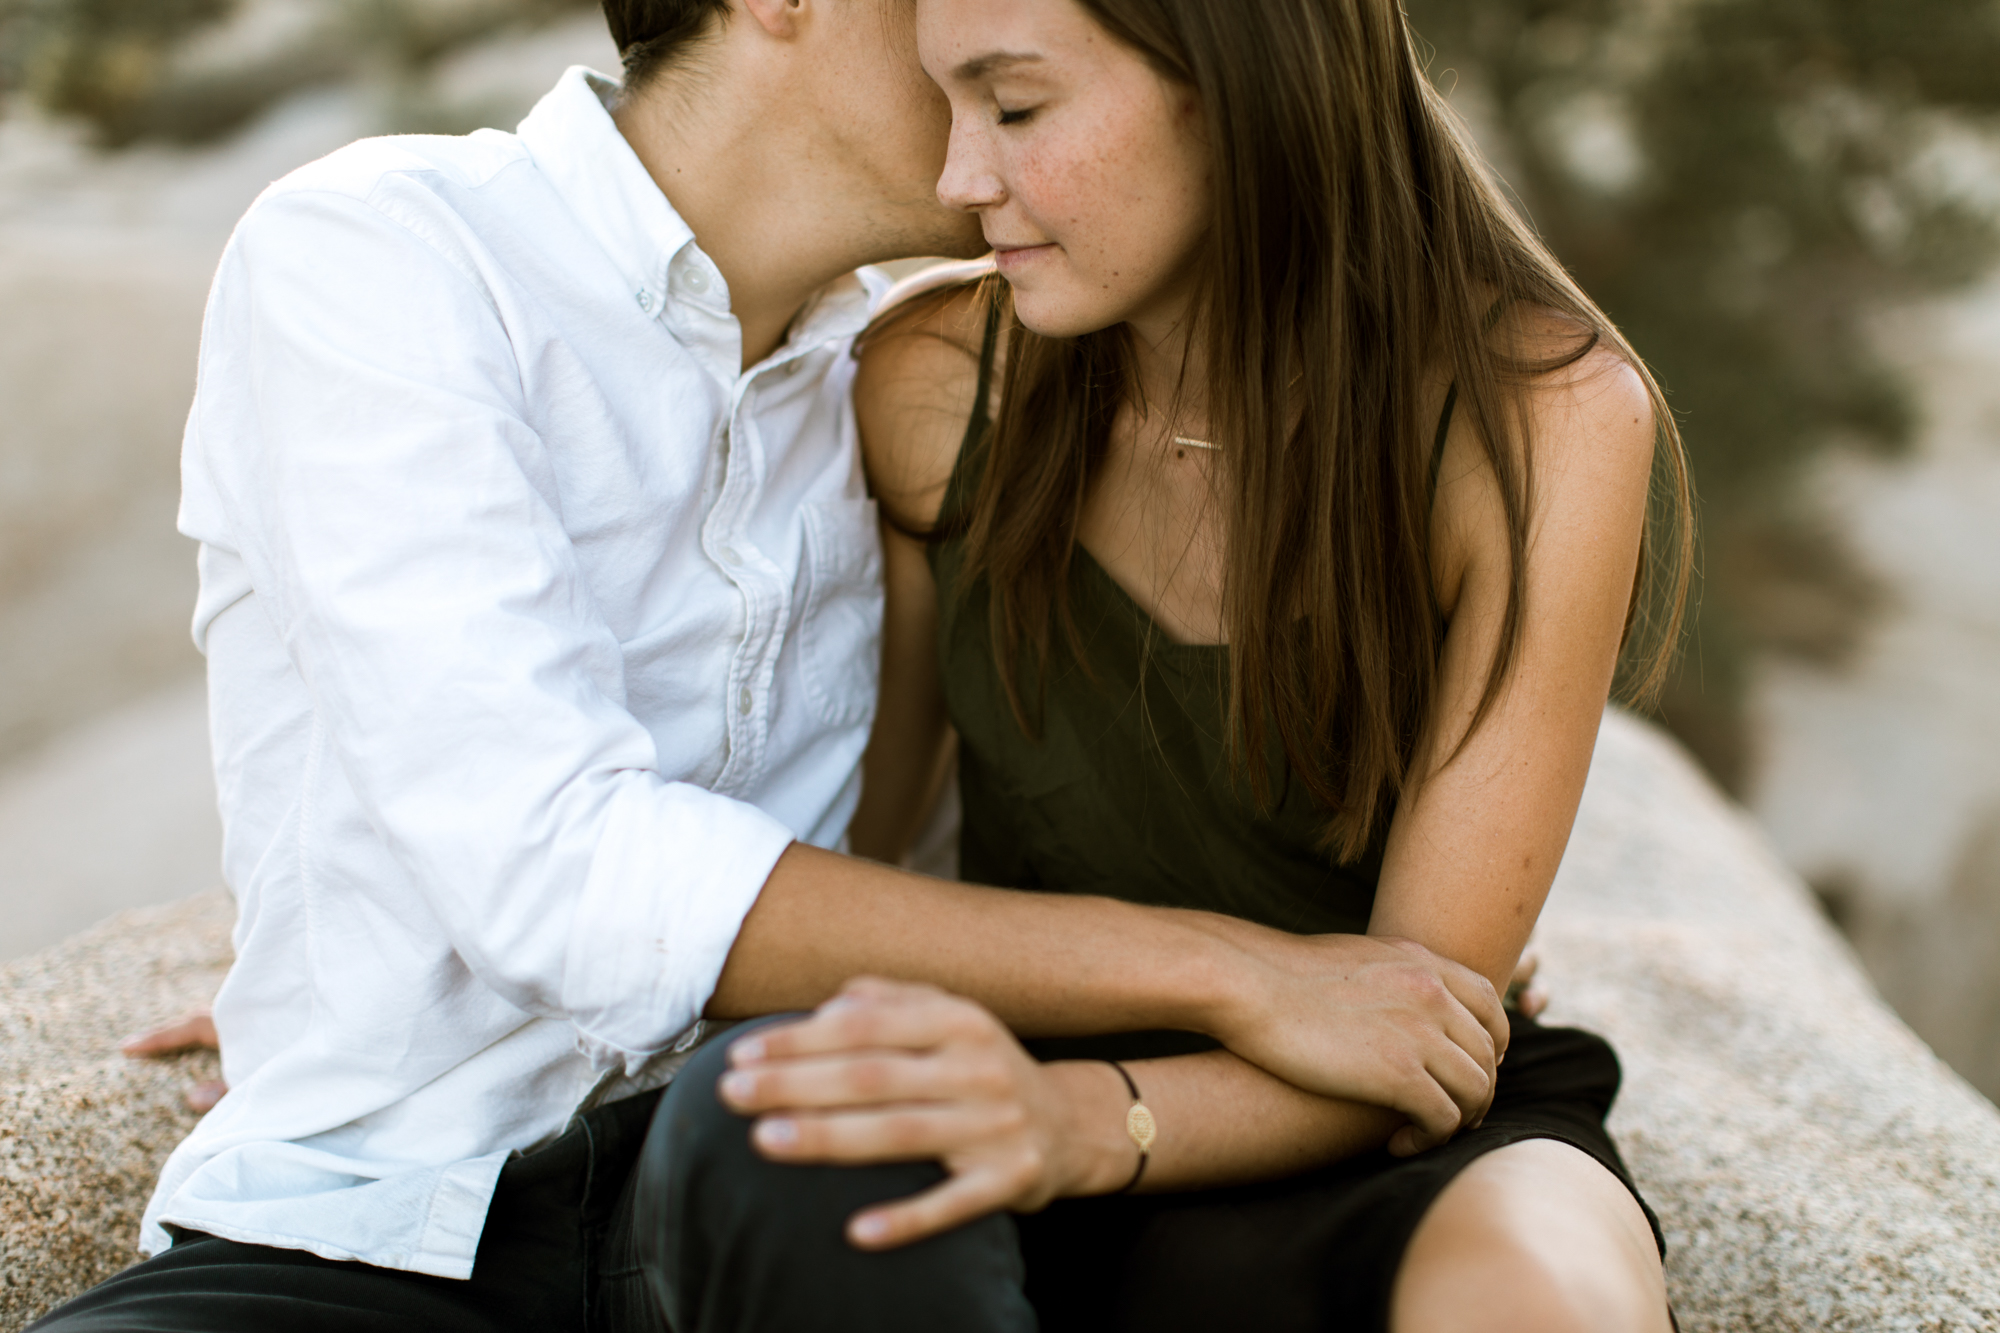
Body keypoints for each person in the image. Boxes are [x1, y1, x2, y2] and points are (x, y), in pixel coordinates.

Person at [33, 1, 1511, 1329]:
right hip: (366, 1224)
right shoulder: (386, 248)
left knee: (821, 1108)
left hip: (767, 1166)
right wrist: (1238, 973)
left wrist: (1372, 929)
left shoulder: (916, 378)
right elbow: (547, 860)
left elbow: (975, 817)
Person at [635, 0, 1696, 1329]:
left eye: (1014, 108)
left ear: (1242, 87)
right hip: (1011, 1109)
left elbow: (1421, 1019)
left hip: (1372, 1129)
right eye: (950, 109)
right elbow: (858, 836)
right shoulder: (936, 385)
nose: (963, 180)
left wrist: (1092, 1118)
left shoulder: (1540, 414)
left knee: (1543, 1286)